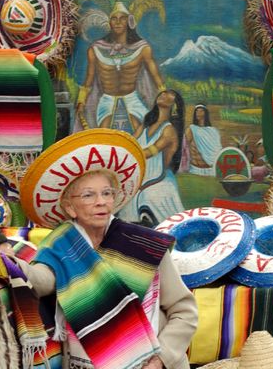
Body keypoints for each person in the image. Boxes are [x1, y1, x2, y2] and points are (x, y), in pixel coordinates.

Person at [18, 128, 198, 369]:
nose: (101, 201)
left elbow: (184, 312)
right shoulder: (62, 246)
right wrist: (6, 260)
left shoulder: (144, 245)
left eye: (106, 193)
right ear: (70, 207)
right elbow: (40, 282)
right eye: (89, 195)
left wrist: (160, 360)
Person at [75, 2, 166, 134]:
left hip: (133, 100)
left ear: (129, 22)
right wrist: (81, 100)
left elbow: (156, 78)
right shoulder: (95, 49)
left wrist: (165, 98)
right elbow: (89, 79)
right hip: (107, 100)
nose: (118, 22)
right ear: (109, 23)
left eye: (122, 18)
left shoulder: (143, 48)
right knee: (105, 133)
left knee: (140, 133)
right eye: (114, 18)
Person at [120, 89, 185, 225]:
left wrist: (124, 154)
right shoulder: (145, 125)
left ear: (175, 106)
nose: (163, 94)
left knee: (149, 203)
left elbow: (150, 152)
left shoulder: (169, 130)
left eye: (169, 94)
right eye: (162, 92)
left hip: (158, 182)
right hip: (141, 179)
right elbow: (130, 142)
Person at [180, 104, 222, 176]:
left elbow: (218, 150)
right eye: (196, 111)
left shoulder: (214, 131)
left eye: (201, 111)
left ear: (205, 113)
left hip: (211, 169)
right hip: (195, 170)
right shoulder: (191, 129)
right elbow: (183, 148)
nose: (198, 113)